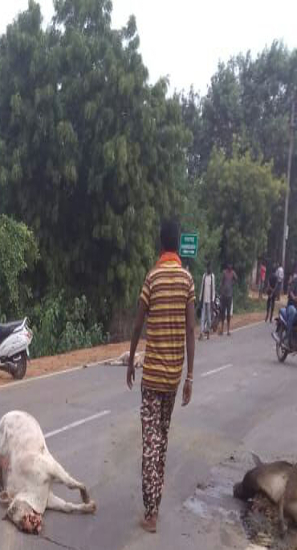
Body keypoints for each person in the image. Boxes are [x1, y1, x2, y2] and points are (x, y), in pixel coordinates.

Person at [126, 219, 195, 534]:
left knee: (150, 443)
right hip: (174, 378)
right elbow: (191, 331)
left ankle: (151, 510)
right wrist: (190, 377)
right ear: (178, 244)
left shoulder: (152, 278)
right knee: (162, 438)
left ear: (160, 244)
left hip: (152, 376)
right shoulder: (187, 280)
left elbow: (138, 324)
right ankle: (156, 500)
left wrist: (130, 361)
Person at [219, 264, 237, 336]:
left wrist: (232, 284)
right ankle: (222, 329)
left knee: (228, 313)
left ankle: (228, 330)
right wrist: (221, 291)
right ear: (227, 267)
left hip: (229, 296)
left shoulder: (233, 273)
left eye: (230, 266)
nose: (230, 267)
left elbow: (236, 279)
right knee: (223, 313)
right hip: (224, 295)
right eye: (229, 266)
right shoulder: (224, 273)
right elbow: (222, 282)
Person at [199, 265, 215, 340]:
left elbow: (213, 289)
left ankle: (208, 331)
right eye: (208, 268)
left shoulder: (212, 277)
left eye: (210, 268)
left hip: (209, 300)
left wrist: (213, 300)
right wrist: (200, 298)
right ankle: (201, 333)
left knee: (208, 317)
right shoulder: (204, 276)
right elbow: (202, 287)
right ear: (207, 268)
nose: (209, 269)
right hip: (203, 300)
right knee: (202, 317)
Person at [282, 270, 297, 349]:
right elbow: (290, 291)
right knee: (293, 312)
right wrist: (294, 297)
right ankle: (287, 338)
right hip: (291, 306)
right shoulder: (295, 280)